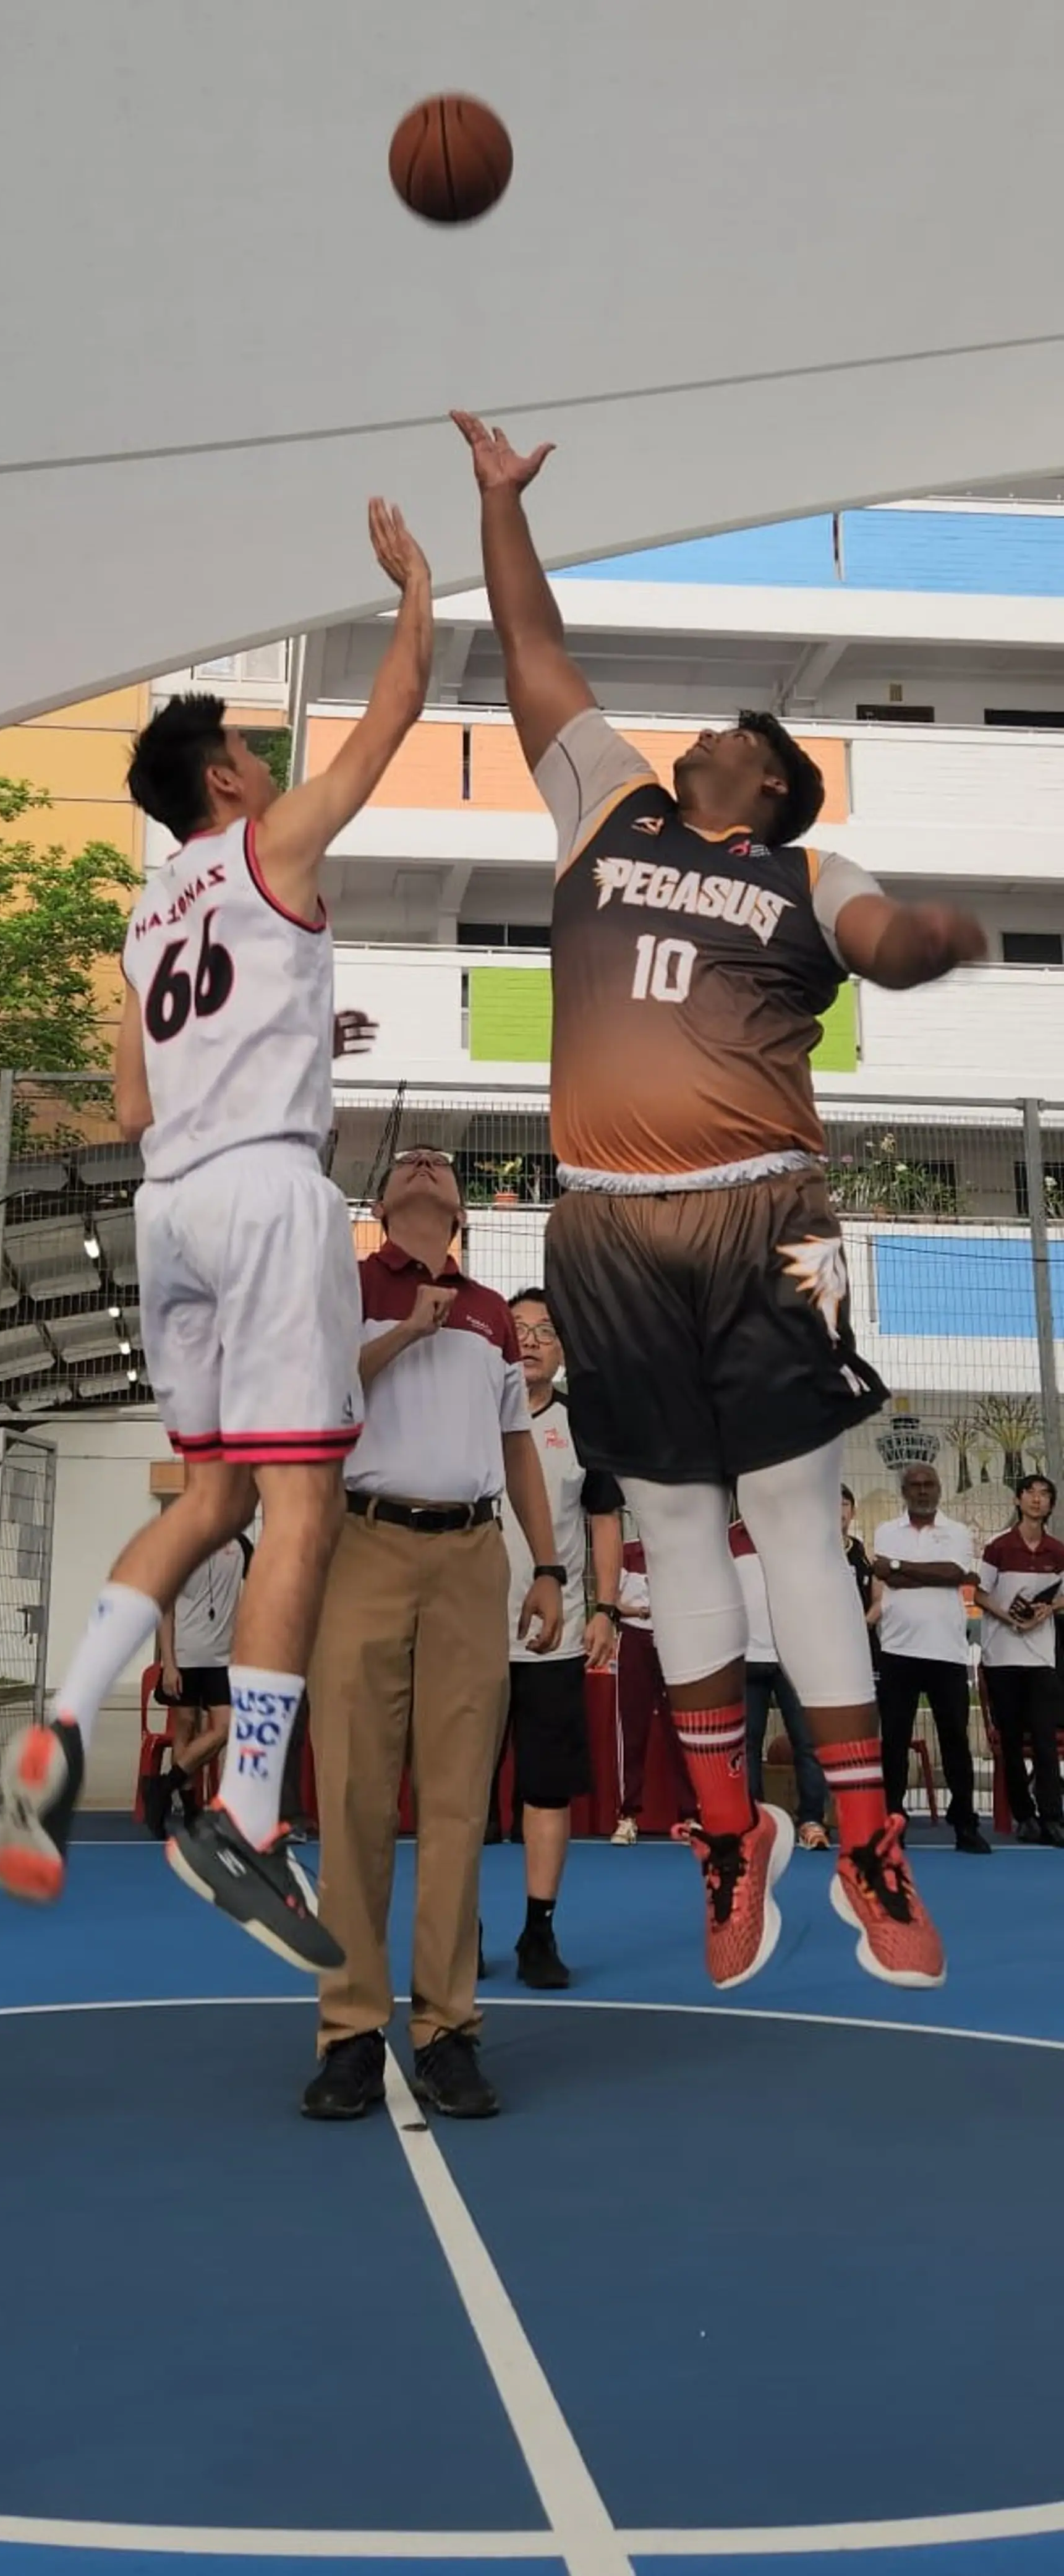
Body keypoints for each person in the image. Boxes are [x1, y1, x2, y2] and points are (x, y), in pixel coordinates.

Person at [453, 406, 987, 1990]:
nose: (696, 735)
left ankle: (866, 1844)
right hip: (605, 1221)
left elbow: (878, 931)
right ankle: (720, 1836)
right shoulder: (604, 808)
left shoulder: (797, 877)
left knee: (788, 1532)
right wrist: (499, 504)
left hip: (764, 1216)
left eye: (729, 737)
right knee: (674, 1533)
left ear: (763, 782)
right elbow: (531, 643)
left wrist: (928, 942)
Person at [0, 497, 433, 1972]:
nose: (268, 761)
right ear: (228, 775)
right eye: (252, 748)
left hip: (167, 1205)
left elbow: (127, 1099)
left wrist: (292, 1035)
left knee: (218, 1498)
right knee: (301, 1505)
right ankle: (246, 1808)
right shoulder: (269, 843)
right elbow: (391, 722)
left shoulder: (143, 917)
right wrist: (418, 588)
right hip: (261, 1195)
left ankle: (58, 1721)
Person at [302, 1147, 563, 2123]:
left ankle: (449, 2028)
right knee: (356, 1795)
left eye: (440, 1165)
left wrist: (548, 1565)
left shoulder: (497, 1312)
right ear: (383, 1203)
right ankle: (351, 2034)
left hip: (469, 1556)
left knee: (457, 1804)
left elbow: (516, 1450)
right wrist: (406, 1332)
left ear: (457, 1209)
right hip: (363, 1545)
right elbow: (318, 1404)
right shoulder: (347, 1288)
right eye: (407, 1161)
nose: (424, 1165)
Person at [500, 1288, 622, 1988]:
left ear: (564, 1350)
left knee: (546, 1791)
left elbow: (605, 1520)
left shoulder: (584, 1426)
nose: (531, 1340)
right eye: (518, 1329)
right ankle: (460, 1924)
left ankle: (537, 1932)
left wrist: (603, 1607)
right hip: (469, 1639)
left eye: (546, 1331)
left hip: (556, 1640)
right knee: (458, 1795)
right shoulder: (472, 1418)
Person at [873, 1465, 989, 1854]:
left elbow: (954, 1574)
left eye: (929, 1485)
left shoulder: (956, 1532)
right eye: (915, 1486)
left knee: (955, 1740)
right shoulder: (887, 1531)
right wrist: (911, 1573)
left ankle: (965, 1825)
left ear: (940, 1489)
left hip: (946, 1651)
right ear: (903, 1491)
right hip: (897, 1650)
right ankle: (893, 1822)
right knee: (893, 1742)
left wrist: (900, 1568)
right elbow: (885, 1576)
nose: (923, 1492)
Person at [730, 1517, 830, 1851]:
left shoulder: (799, 1532)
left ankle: (812, 1821)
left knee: (808, 1744)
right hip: (745, 1659)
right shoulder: (728, 1538)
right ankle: (754, 1823)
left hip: (795, 1660)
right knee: (746, 1747)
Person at [142, 1531, 250, 1839]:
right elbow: (166, 1609)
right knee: (186, 1726)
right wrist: (169, 1664)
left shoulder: (242, 1547)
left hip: (223, 1659)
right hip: (185, 1655)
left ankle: (164, 1786)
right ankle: (190, 1810)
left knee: (224, 1729)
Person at [976, 1473, 1064, 1846]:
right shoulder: (998, 1548)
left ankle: (1053, 1818)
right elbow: (980, 1595)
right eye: (1030, 1493)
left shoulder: (1058, 1551)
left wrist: (1047, 1611)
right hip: (1002, 1657)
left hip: (1042, 1658)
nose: (1037, 1500)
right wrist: (1009, 1616)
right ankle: (1024, 1816)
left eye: (1045, 1495)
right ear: (1018, 1500)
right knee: (1010, 1740)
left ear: (1051, 1505)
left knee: (1045, 1739)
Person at [610, 1535, 695, 1842]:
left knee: (682, 1729)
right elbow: (612, 1601)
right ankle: (628, 1815)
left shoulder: (681, 1551)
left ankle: (691, 1814)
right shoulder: (627, 1552)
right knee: (632, 1728)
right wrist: (642, 1612)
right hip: (635, 1640)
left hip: (674, 1638)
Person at [843, 1485, 883, 1667]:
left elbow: (880, 1600)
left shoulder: (863, 1555)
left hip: (862, 1643)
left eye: (844, 1504)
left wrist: (865, 1624)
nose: (839, 1511)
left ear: (853, 1512)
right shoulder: (813, 1554)